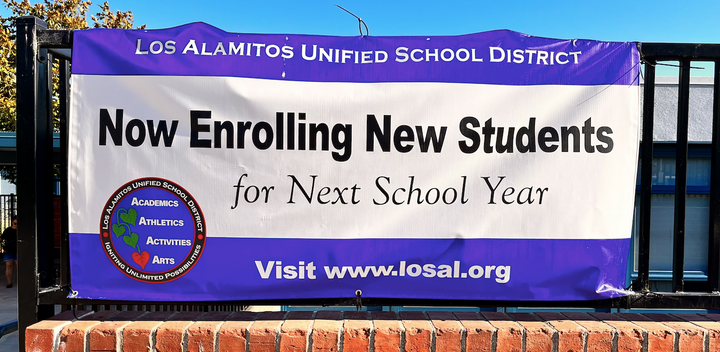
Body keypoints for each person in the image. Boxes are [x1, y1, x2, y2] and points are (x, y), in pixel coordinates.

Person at [1, 215, 17, 288]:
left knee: (19, 267)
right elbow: (1, 238)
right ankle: (9, 283)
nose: (16, 225)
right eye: (15, 223)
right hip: (9, 251)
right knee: (9, 266)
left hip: (18, 251)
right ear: (12, 222)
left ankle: (22, 282)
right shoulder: (8, 230)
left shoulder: (22, 231)